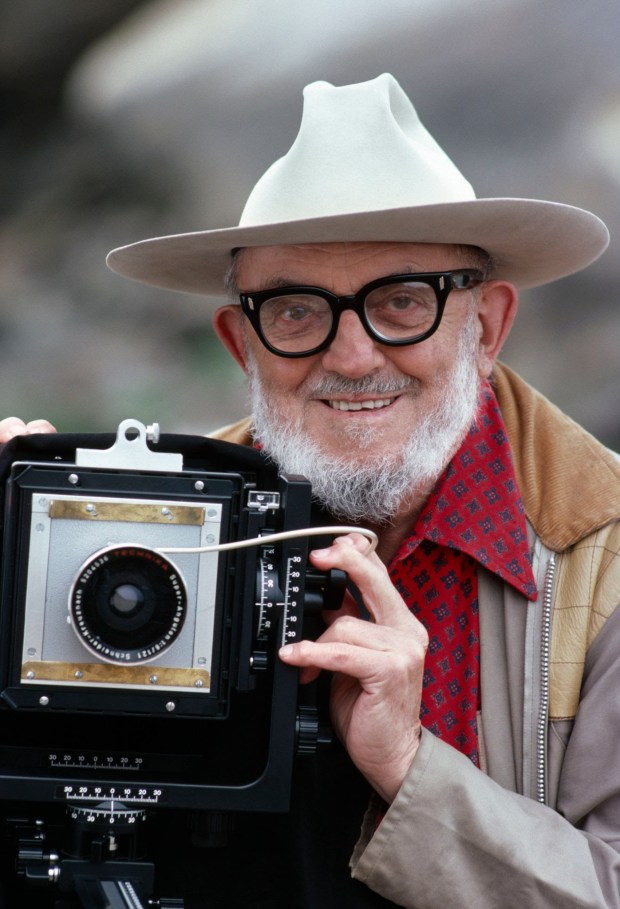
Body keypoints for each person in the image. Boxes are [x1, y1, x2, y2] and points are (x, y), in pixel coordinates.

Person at [2, 73, 620, 908]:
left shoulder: (605, 558)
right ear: (239, 342)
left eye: (404, 301)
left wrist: (407, 764)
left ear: (488, 325)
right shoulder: (128, 521)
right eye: (296, 310)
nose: (354, 356)